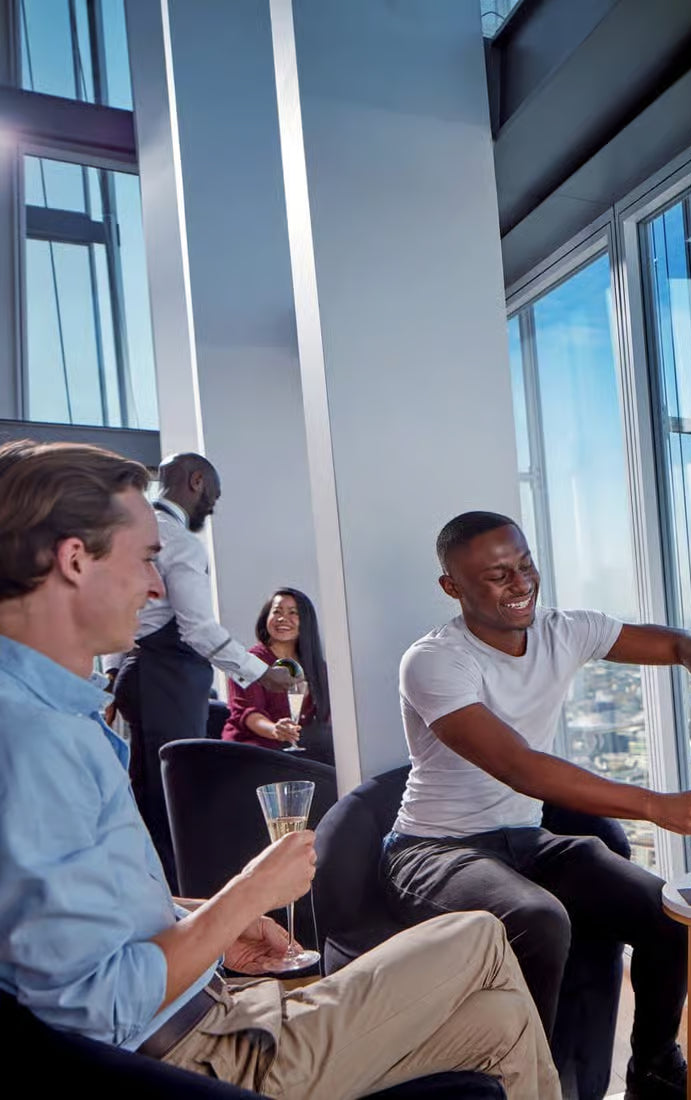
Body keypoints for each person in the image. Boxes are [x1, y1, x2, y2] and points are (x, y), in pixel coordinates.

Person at [0, 440, 558, 1098]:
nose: (155, 586)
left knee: (495, 999)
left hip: (215, 1018)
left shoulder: (45, 715)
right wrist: (249, 894)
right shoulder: (33, 742)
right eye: (148, 559)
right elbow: (98, 1005)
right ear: (73, 560)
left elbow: (74, 917)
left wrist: (208, 921)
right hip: (197, 1062)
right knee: (479, 941)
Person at [382, 511, 691, 1100]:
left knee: (667, 914)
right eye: (496, 576)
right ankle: (530, 1088)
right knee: (539, 919)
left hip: (523, 839)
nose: (519, 585)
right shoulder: (435, 661)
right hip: (435, 850)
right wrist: (655, 806)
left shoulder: (564, 630)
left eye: (524, 566)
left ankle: (653, 1072)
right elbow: (519, 766)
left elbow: (681, 643)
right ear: (452, 588)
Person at [112, 452, 296, 887]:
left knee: (148, 792)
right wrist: (261, 672)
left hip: (141, 674)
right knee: (171, 799)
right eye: (213, 494)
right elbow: (197, 628)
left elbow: (128, 617)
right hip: (166, 680)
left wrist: (113, 672)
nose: (212, 505)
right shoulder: (177, 540)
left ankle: (163, 893)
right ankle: (180, 900)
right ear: (196, 481)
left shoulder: (128, 533)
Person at [223, 587, 335, 765]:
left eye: (293, 613)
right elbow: (248, 713)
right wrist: (275, 729)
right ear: (266, 618)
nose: (283, 619)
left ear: (306, 621)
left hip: (298, 753)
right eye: (276, 612)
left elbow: (329, 715)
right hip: (254, 751)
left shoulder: (316, 666)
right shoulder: (249, 662)